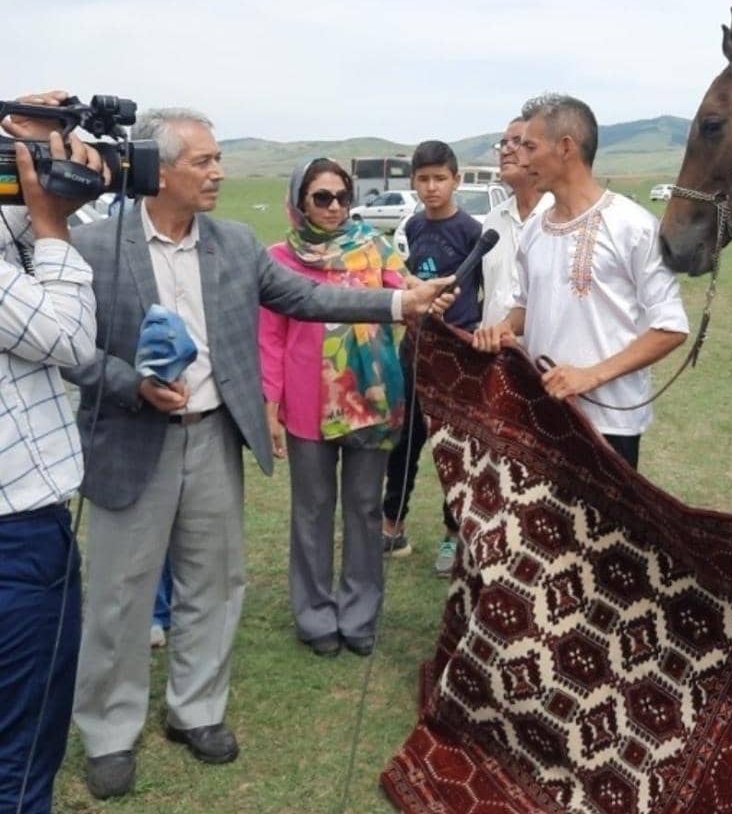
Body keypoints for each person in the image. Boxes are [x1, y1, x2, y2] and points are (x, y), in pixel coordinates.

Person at [62, 109, 455, 801]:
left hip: (215, 436)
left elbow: (305, 297)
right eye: (204, 161)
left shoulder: (236, 243)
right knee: (119, 596)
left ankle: (197, 710)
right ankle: (110, 733)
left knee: (215, 582)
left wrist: (400, 306)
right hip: (132, 441)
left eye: (219, 160)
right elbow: (72, 350)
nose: (219, 172)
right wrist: (132, 385)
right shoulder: (96, 246)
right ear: (156, 166)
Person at [473, 93, 689, 470]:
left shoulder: (634, 226)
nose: (519, 158)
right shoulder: (535, 231)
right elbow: (525, 307)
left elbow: (670, 328)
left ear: (566, 148)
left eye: (529, 146)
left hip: (609, 423)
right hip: (539, 413)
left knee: (602, 530)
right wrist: (504, 329)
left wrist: (591, 375)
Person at [0, 94, 106, 814]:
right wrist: (51, 222)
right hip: (16, 536)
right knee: (19, 760)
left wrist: (30, 147)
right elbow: (69, 341)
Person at [260, 159, 406, 657]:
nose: (335, 207)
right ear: (300, 200)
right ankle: (315, 614)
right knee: (312, 511)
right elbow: (270, 338)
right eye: (322, 197)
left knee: (366, 510)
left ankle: (360, 615)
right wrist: (270, 405)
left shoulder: (375, 250)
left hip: (371, 400)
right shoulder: (276, 259)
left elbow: (413, 298)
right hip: (305, 405)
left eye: (343, 196)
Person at [382, 140, 483, 576]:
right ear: (413, 182)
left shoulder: (473, 232)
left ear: (456, 180)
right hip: (415, 347)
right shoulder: (411, 227)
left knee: (454, 448)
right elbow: (402, 278)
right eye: (423, 179)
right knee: (404, 442)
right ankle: (392, 526)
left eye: (440, 178)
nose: (431, 187)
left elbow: (488, 292)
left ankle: (451, 535)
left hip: (459, 353)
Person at [479, 117, 552, 327]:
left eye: (517, 141)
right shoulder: (493, 219)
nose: (506, 151)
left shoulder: (561, 217)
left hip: (545, 356)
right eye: (503, 143)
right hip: (496, 354)